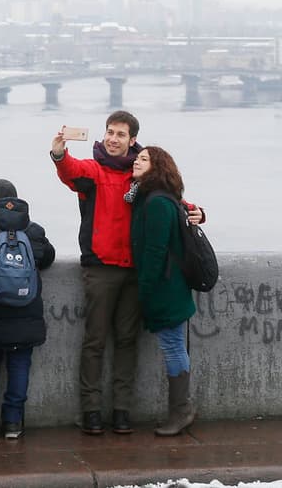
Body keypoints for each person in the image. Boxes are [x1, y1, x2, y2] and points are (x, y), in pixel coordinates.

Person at [50, 111, 204, 435]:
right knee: (94, 341)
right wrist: (59, 154)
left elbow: (172, 200)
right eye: (109, 132)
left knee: (126, 341)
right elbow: (72, 171)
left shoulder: (141, 176)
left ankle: (122, 412)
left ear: (132, 139)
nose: (112, 139)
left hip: (134, 271)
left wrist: (197, 212)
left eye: (120, 134)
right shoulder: (95, 170)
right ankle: (91, 411)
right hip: (100, 269)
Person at [0, 179, 55, 441]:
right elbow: (48, 257)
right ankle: (13, 423)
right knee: (20, 365)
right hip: (25, 312)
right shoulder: (34, 230)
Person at [129, 146, 197, 436]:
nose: (136, 161)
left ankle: (181, 411)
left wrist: (145, 290)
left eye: (143, 159)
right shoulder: (160, 197)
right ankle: (181, 410)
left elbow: (155, 251)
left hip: (164, 289)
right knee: (174, 345)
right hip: (171, 285)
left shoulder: (157, 202)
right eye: (137, 157)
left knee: (173, 346)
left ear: (156, 167)